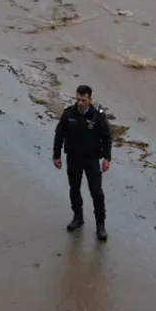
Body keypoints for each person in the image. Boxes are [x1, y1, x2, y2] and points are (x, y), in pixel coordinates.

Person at [53, 85, 112, 241]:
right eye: (78, 99)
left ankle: (100, 225)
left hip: (91, 160)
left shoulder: (98, 116)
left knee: (97, 193)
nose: (80, 103)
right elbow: (59, 135)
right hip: (73, 158)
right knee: (74, 189)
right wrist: (56, 155)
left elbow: (107, 138)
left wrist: (107, 158)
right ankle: (78, 217)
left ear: (90, 99)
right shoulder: (69, 114)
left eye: (83, 100)